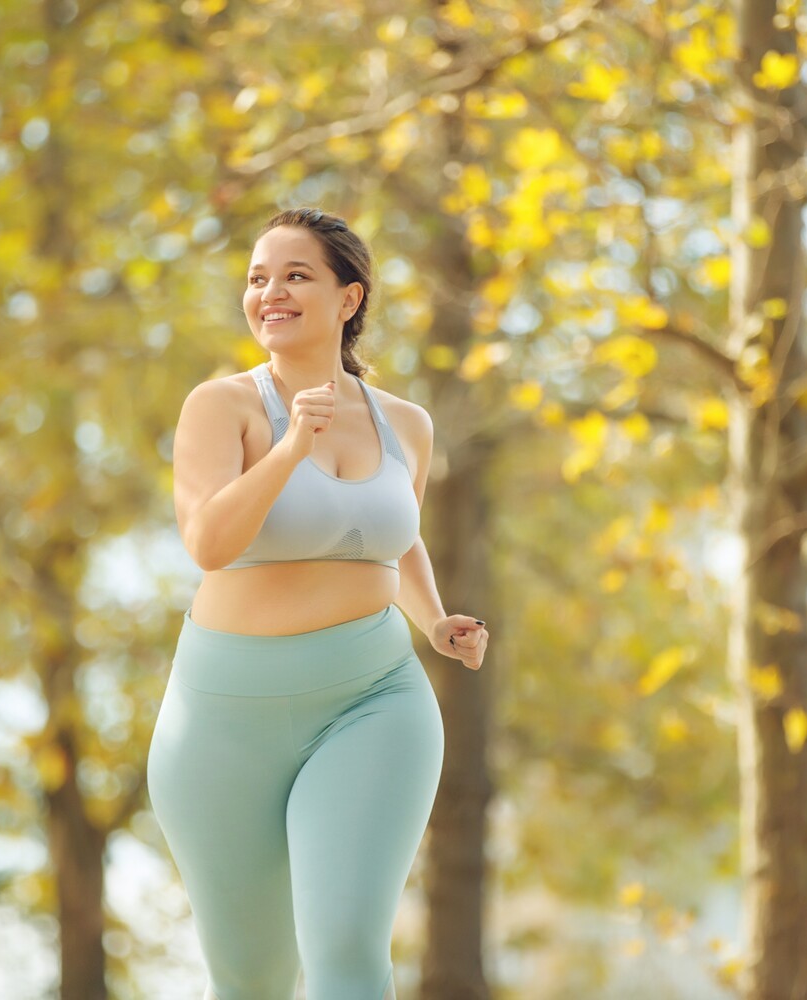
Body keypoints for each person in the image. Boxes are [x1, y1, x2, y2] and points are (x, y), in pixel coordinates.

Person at [146, 207, 489, 1000]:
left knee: (346, 954)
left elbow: (389, 536)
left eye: (296, 275)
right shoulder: (220, 406)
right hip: (222, 718)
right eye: (257, 278)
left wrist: (433, 621)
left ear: (348, 298)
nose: (271, 292)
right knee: (249, 979)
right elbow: (207, 543)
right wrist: (291, 446)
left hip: (371, 701)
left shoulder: (405, 423)